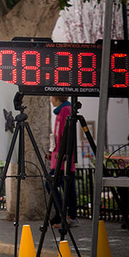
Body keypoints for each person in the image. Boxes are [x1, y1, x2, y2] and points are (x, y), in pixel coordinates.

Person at [48, 95, 78, 227]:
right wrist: (52, 151)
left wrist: (64, 153)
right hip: (58, 158)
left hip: (63, 160)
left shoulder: (66, 110)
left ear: (55, 98)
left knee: (59, 185)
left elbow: (66, 134)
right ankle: (63, 214)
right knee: (63, 186)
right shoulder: (61, 111)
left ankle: (66, 215)